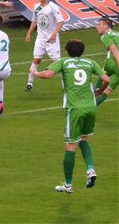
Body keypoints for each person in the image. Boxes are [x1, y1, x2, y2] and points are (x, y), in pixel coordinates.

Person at [31, 39, 109, 194]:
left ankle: (68, 185)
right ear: (82, 50)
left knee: (70, 145)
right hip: (91, 107)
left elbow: (48, 74)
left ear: (67, 51)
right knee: (84, 139)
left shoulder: (64, 62)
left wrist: (35, 73)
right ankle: (90, 169)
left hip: (74, 109)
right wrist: (100, 90)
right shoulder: (90, 62)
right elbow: (106, 79)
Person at [24, 0, 64, 91]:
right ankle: (29, 84)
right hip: (40, 38)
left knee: (57, 62)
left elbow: (61, 21)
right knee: (36, 60)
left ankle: (66, 84)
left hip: (51, 39)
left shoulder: (53, 7)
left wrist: (54, 34)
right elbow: (34, 21)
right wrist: (29, 33)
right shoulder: (36, 6)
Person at [95, 17, 119, 106]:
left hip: (112, 64)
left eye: (99, 24)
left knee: (97, 89)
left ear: (106, 26)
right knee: (107, 90)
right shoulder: (117, 34)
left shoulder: (106, 35)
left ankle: (88, 107)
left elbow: (114, 49)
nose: (97, 27)